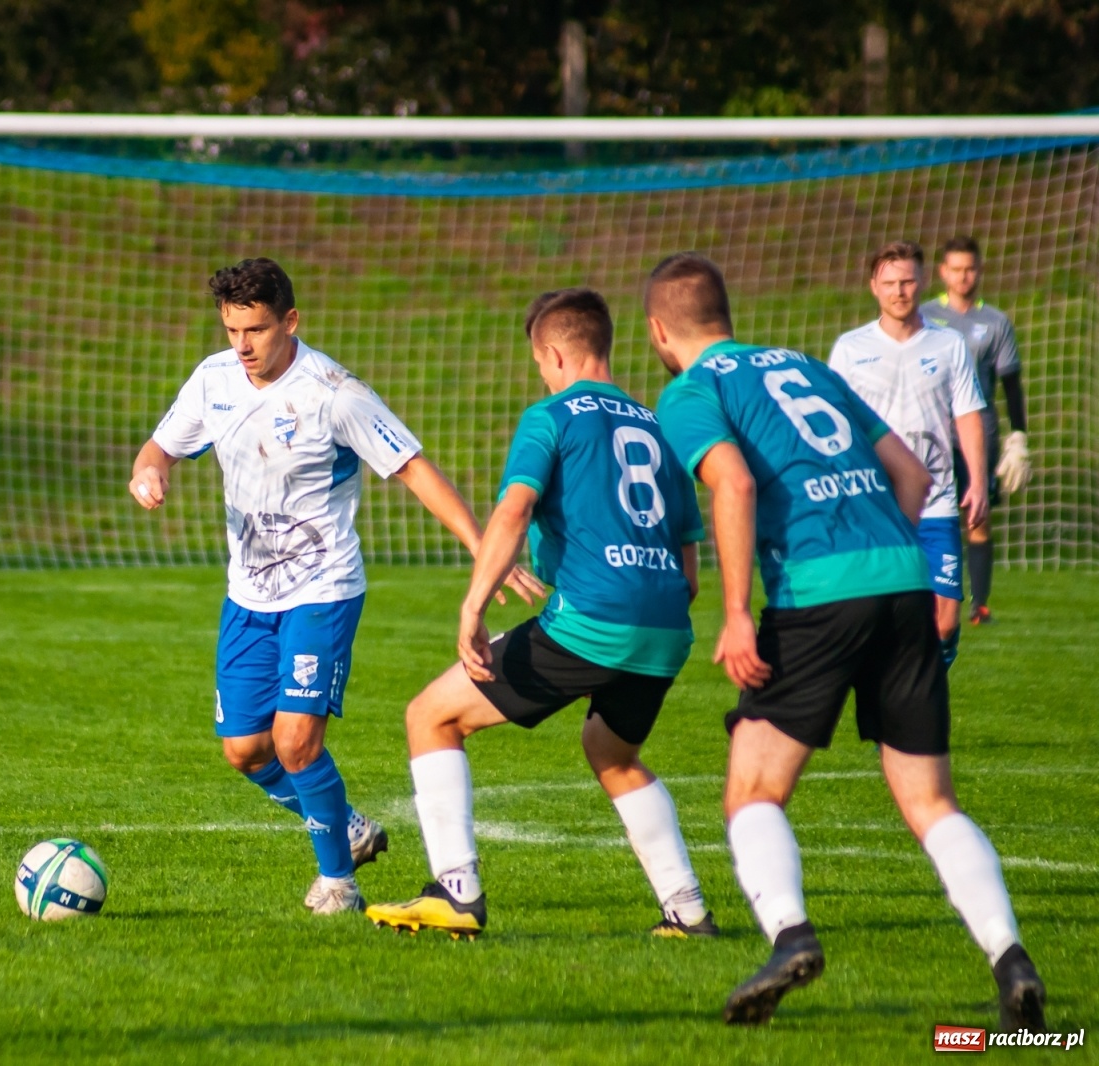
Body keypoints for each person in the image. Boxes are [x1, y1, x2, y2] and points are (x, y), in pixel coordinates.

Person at [648, 251, 1045, 1029]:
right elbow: (911, 474)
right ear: (725, 313)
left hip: (817, 593)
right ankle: (1011, 959)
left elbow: (732, 481)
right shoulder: (808, 366)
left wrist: (734, 610)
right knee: (931, 800)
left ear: (661, 332)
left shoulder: (693, 390)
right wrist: (889, 555)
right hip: (902, 577)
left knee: (753, 789)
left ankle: (791, 937)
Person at [130, 257, 542, 915]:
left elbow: (415, 469)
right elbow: (160, 446)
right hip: (248, 597)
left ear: (290, 322)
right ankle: (345, 825)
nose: (241, 346)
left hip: (323, 590)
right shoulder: (213, 380)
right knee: (245, 749)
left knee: (295, 740)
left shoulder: (334, 393)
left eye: (256, 330)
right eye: (232, 329)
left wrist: (483, 551)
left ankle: (338, 884)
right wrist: (149, 474)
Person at [363, 288, 716, 940]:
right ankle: (688, 911)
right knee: (612, 752)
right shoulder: (661, 426)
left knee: (430, 716)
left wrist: (473, 604)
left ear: (555, 353)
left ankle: (455, 891)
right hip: (667, 626)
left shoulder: (551, 416)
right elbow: (690, 564)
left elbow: (514, 510)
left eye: (541, 362)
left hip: (593, 621)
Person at [828, 241, 989, 671]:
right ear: (873, 288)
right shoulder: (849, 349)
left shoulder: (949, 344)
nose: (900, 291)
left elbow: (968, 415)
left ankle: (921, 694)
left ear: (922, 282)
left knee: (945, 619)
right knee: (875, 616)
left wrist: (977, 480)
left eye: (907, 281)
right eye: (890, 283)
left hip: (935, 504)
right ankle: (900, 705)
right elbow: (836, 426)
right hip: (875, 504)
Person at [925, 236, 1031, 624]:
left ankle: (979, 604)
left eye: (970, 268)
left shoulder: (995, 322)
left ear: (979, 270)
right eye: (955, 269)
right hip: (933, 430)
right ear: (943, 272)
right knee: (928, 512)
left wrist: (1019, 436)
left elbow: (1011, 383)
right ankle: (929, 596)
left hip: (979, 431)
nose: (963, 276)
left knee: (977, 515)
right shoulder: (924, 316)